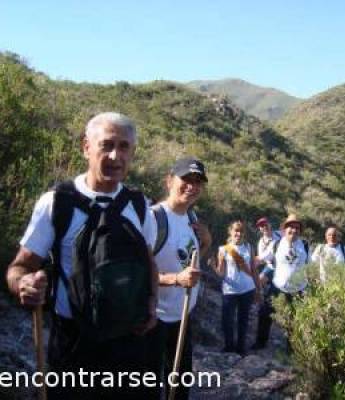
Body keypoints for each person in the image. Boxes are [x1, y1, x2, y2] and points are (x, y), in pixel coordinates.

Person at [5, 112, 158, 400]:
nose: (116, 155)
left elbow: (148, 260)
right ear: (86, 147)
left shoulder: (139, 206)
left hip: (131, 341)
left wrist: (152, 302)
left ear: (133, 152)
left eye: (124, 147)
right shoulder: (57, 203)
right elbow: (21, 266)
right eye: (107, 145)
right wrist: (22, 284)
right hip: (74, 344)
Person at [146, 157, 212, 400]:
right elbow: (140, 274)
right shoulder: (153, 219)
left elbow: (189, 262)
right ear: (169, 181)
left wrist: (207, 243)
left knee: (180, 384)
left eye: (198, 182)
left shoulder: (192, 219)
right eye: (186, 179)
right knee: (149, 387)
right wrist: (176, 279)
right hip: (154, 319)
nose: (192, 186)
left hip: (182, 316)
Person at [253, 214, 310, 350]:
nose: (294, 230)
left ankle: (292, 349)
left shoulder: (306, 245)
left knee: (294, 321)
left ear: (300, 230)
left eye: (297, 228)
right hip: (277, 287)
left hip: (298, 289)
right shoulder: (276, 244)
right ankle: (261, 343)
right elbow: (261, 258)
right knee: (265, 314)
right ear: (285, 229)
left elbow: (310, 265)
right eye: (291, 227)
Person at [214, 220, 261, 356]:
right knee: (227, 320)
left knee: (243, 319)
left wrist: (258, 289)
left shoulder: (249, 247)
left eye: (240, 231)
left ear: (244, 233)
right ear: (231, 231)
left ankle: (241, 348)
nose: (238, 234)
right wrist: (214, 265)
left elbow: (253, 270)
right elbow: (221, 273)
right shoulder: (223, 249)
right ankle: (229, 346)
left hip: (247, 289)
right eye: (236, 230)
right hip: (229, 290)